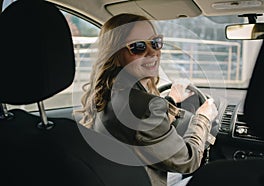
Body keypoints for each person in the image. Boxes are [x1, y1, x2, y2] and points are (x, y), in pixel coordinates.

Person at [76, 13, 218, 186]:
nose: (153, 52)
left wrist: (171, 101)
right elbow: (189, 161)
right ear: (116, 55)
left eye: (155, 42)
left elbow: (143, 132)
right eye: (137, 47)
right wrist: (203, 118)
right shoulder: (144, 106)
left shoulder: (105, 92)